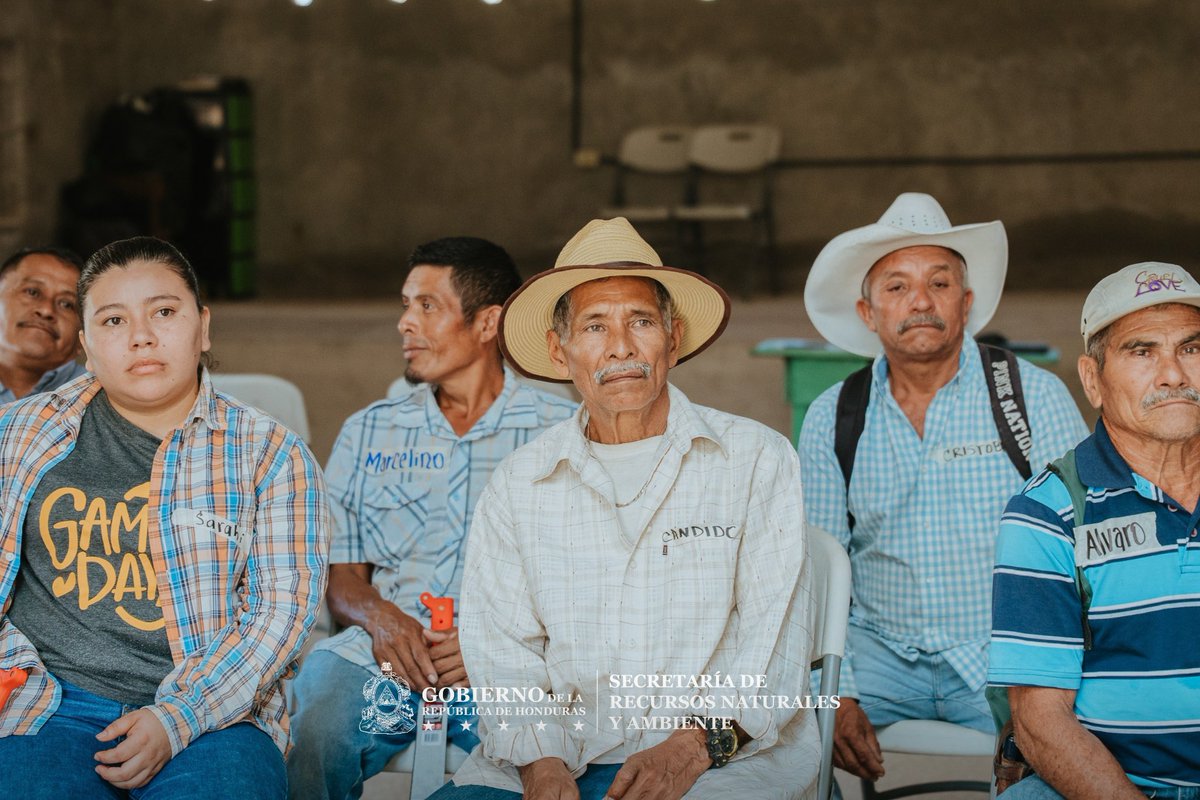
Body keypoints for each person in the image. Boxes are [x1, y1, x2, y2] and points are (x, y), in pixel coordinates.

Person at [433, 217, 817, 800]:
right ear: (559, 352)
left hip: (719, 762)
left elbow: (774, 650)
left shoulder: (756, 459)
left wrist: (689, 749)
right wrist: (541, 763)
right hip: (562, 756)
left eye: (640, 321)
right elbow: (504, 652)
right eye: (595, 326)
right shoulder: (519, 483)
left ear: (673, 339)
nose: (621, 346)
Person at [0, 236, 329, 799]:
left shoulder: (271, 454)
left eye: (164, 312)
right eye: (113, 320)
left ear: (204, 327)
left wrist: (177, 717)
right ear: (85, 345)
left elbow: (279, 614)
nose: (141, 336)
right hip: (47, 703)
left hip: (215, 712)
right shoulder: (19, 434)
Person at [799, 192, 1087, 783]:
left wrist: (1044, 683)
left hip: (1003, 656)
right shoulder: (834, 414)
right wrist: (837, 692)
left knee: (1082, 752)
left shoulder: (1030, 396)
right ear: (867, 312)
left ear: (966, 302)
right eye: (897, 286)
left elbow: (1083, 547)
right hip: (879, 655)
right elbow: (816, 567)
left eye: (939, 283)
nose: (921, 302)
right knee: (782, 736)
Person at [287, 237, 576, 800]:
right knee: (314, 729)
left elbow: (582, 577)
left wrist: (495, 644)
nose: (405, 323)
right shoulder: (370, 430)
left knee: (548, 764)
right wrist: (382, 619)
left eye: (427, 306)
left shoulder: (559, 433)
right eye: (405, 305)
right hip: (383, 661)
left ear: (488, 322)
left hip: (507, 669)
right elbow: (341, 573)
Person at [990, 262, 1200, 798]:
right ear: (1092, 380)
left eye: (1192, 348)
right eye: (1142, 351)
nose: (1174, 375)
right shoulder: (1051, 512)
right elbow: (1041, 720)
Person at [0, 246, 88, 403]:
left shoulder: (107, 398)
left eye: (67, 304)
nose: (46, 310)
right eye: (32, 292)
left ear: (83, 338)